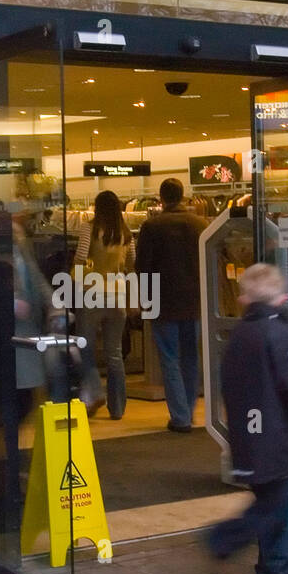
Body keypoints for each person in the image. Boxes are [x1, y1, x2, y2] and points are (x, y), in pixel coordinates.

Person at [206, 265, 288, 574]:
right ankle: (233, 544)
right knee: (276, 505)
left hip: (251, 435)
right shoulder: (282, 334)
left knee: (272, 500)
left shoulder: (239, 336)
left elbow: (229, 388)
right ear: (283, 298)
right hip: (278, 438)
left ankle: (272, 564)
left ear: (243, 298)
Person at [135, 178, 206, 432]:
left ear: (161, 198)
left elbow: (143, 267)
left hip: (163, 302)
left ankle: (181, 416)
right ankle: (188, 411)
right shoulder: (199, 224)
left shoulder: (151, 227)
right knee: (190, 358)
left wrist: (144, 301)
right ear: (183, 195)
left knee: (169, 358)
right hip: (194, 302)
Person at [75, 190, 136, 420]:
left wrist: (81, 276)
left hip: (92, 294)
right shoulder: (126, 233)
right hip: (118, 296)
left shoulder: (88, 228)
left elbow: (81, 257)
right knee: (114, 353)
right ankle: (118, 408)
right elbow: (132, 264)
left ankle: (95, 391)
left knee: (85, 348)